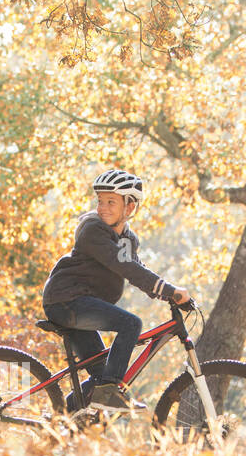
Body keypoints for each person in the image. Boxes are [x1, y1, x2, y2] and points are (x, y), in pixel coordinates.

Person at [42, 168, 189, 411]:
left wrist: (167, 293)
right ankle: (110, 396)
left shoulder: (127, 239)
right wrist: (170, 290)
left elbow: (138, 270)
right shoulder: (93, 231)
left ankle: (58, 424)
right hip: (66, 301)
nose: (103, 207)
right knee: (130, 324)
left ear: (129, 208)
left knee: (100, 379)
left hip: (78, 304)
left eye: (111, 202)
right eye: (100, 201)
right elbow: (126, 267)